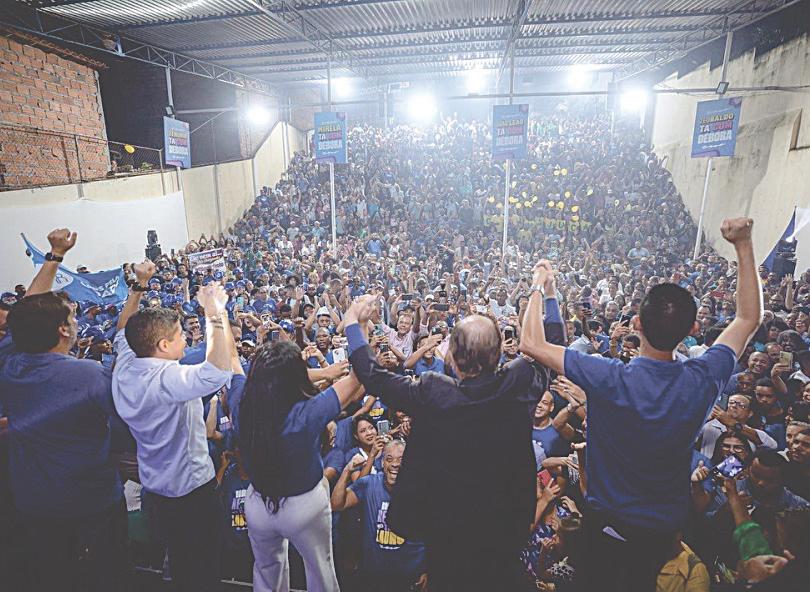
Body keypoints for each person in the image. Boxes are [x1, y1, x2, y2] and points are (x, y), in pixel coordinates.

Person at [519, 218, 763, 591]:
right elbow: (748, 318)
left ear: (636, 323)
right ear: (693, 330)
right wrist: (743, 244)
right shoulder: (703, 379)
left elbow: (532, 344)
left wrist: (540, 284)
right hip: (661, 536)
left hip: (605, 527)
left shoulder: (608, 376)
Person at [341, 269, 563, 592]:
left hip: (445, 539)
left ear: (453, 359)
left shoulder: (434, 391)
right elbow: (552, 348)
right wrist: (546, 291)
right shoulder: (519, 384)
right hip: (503, 535)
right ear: (499, 355)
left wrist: (353, 322)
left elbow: (374, 377)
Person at [0, 228, 129, 591]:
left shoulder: (10, 366)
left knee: (53, 578)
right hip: (91, 503)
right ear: (62, 331)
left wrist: (55, 256)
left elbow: (26, 316)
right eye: (72, 319)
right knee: (107, 578)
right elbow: (125, 425)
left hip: (33, 505)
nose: (76, 324)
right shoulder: (88, 375)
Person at [112, 268, 239, 592]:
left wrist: (139, 286)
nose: (186, 339)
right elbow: (217, 372)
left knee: (180, 562)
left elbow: (123, 329)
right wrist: (214, 313)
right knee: (203, 568)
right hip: (191, 494)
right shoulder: (167, 380)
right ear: (164, 344)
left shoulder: (126, 365)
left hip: (156, 489)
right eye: (181, 334)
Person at [238, 340, 365, 592]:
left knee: (266, 571)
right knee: (320, 569)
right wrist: (356, 326)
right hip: (304, 506)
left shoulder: (242, 403)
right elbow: (356, 378)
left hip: (258, 503)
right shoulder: (308, 411)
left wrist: (216, 318)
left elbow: (232, 360)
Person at [330, 440, 427, 592]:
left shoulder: (420, 488)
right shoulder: (370, 484)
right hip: (375, 578)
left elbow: (434, 533)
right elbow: (336, 504)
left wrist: (427, 569)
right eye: (389, 459)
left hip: (410, 578)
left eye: (400, 459)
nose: (395, 464)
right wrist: (347, 471)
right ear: (382, 463)